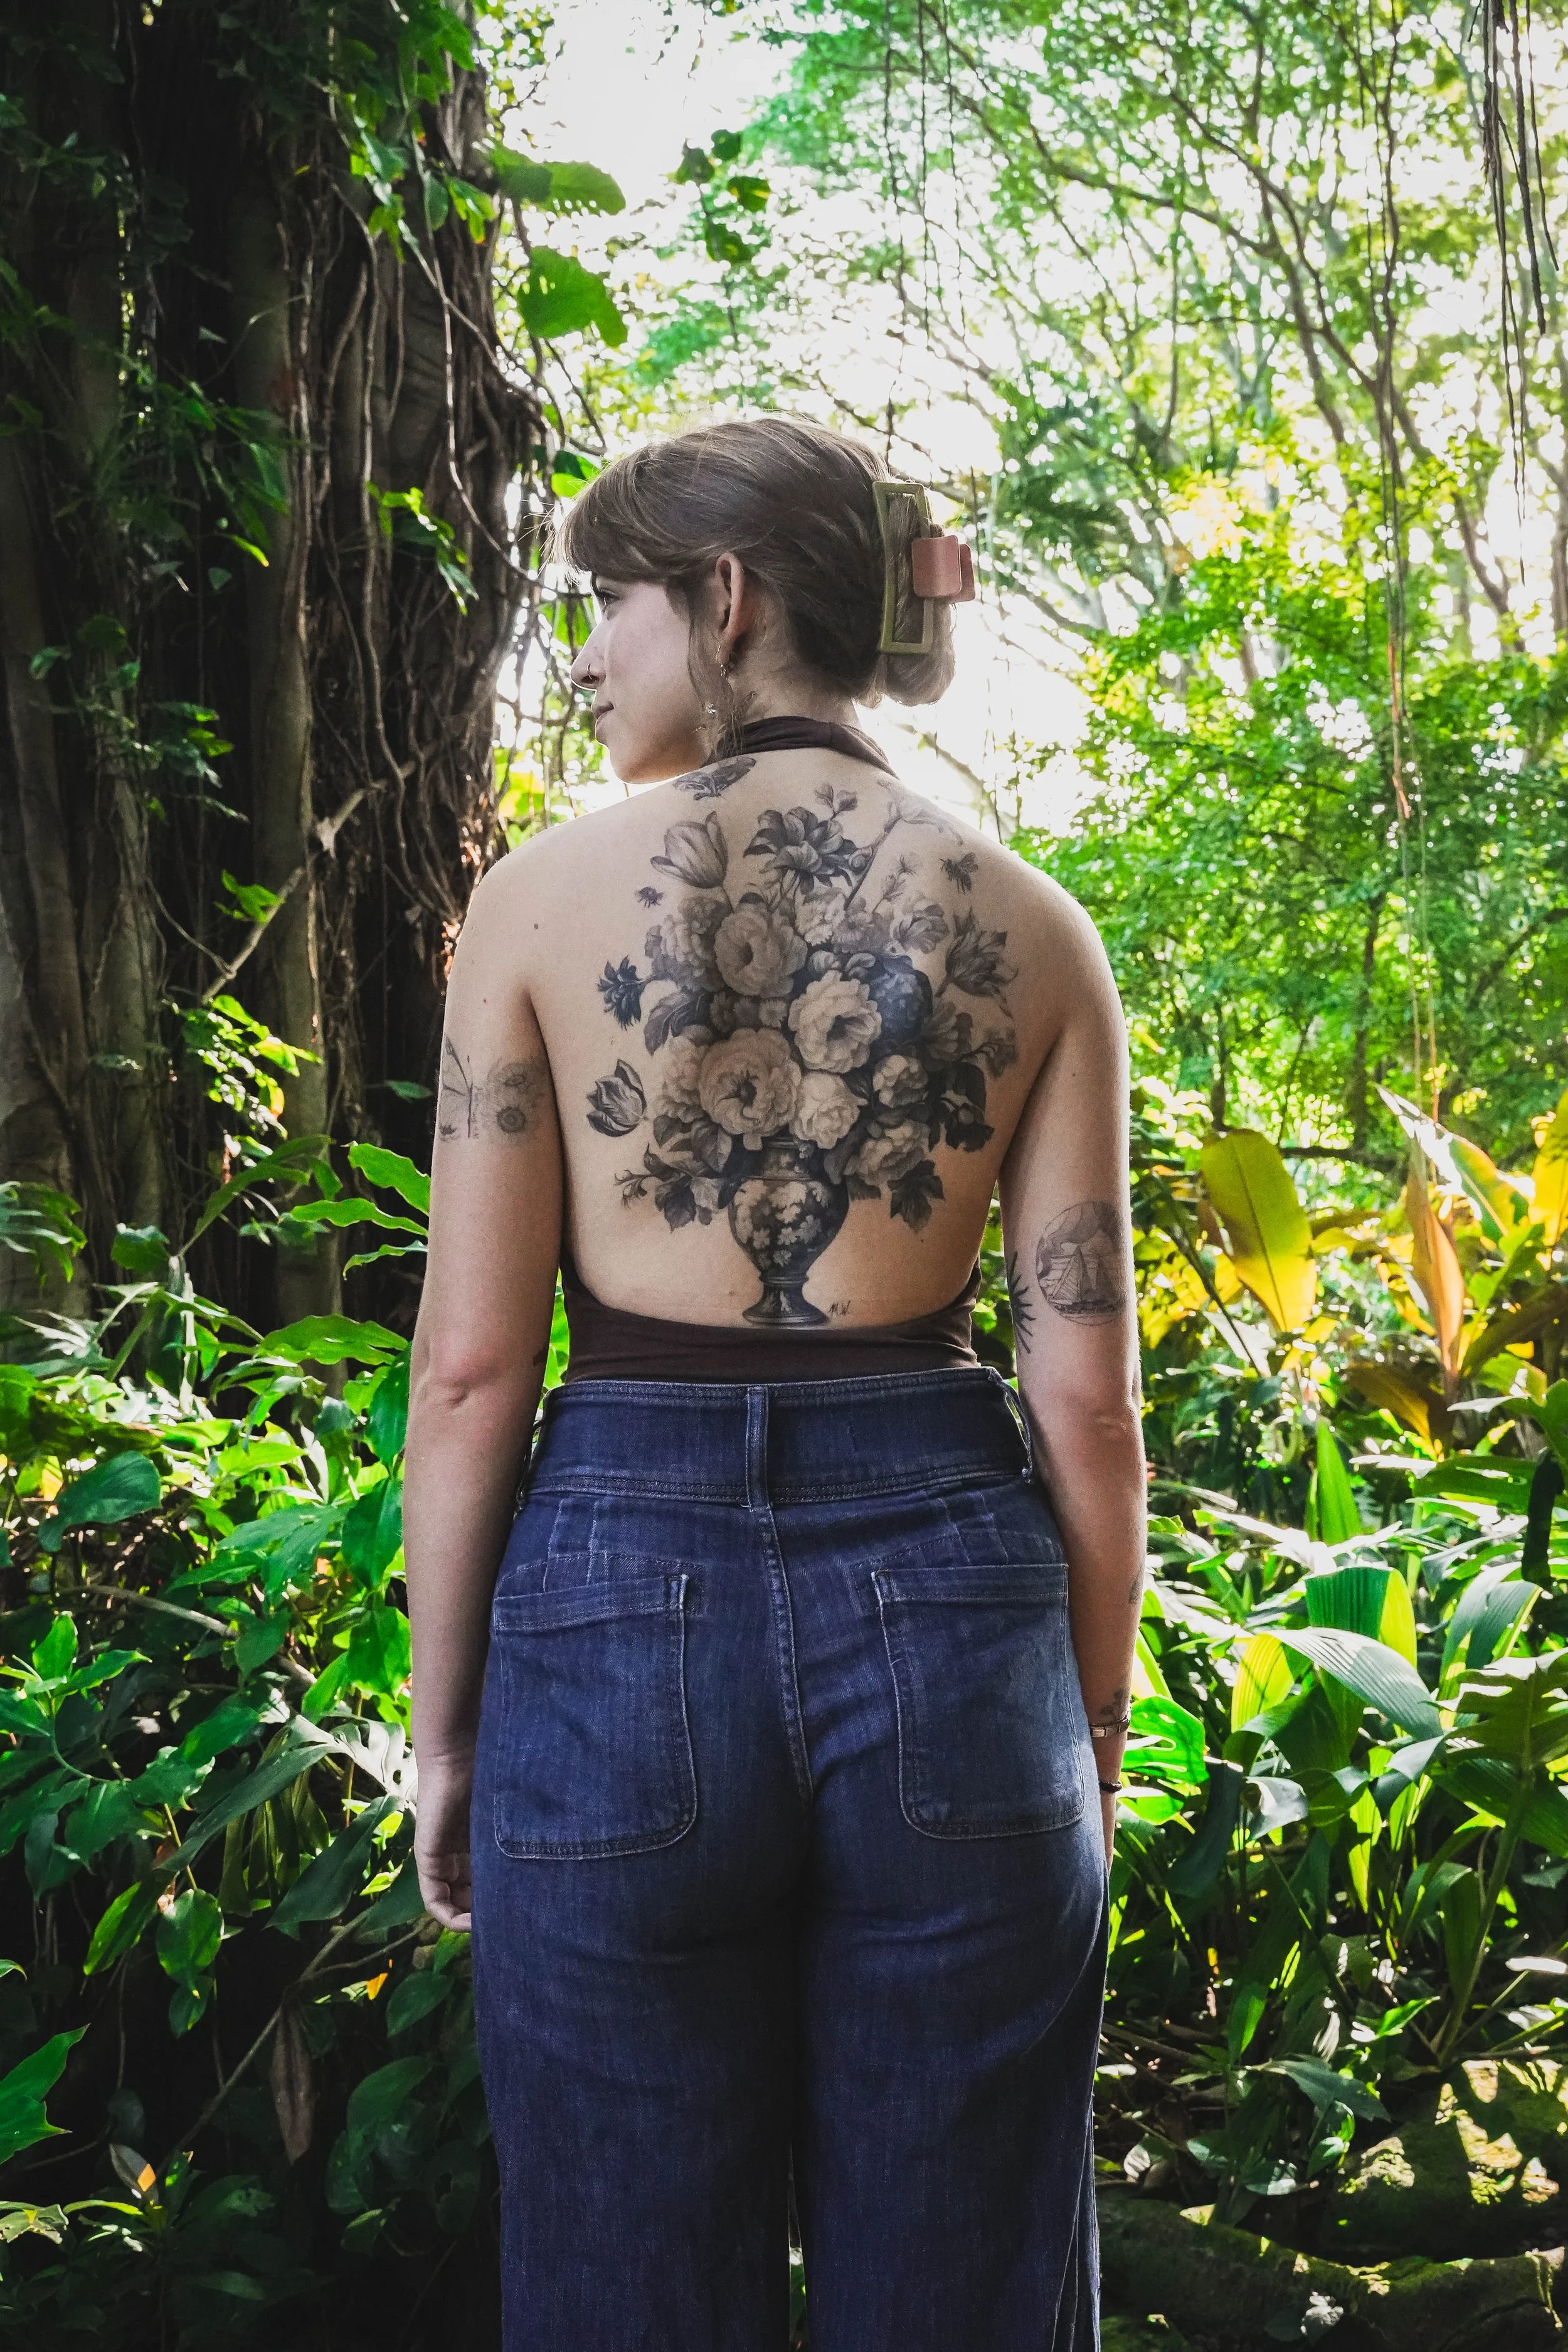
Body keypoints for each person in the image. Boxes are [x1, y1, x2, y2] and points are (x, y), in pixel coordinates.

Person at [403, 416, 1145, 2352]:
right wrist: (1087, 1712)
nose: (580, 659)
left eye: (604, 610)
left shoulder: (537, 909)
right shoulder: (1034, 929)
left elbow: (476, 1367)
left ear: (721, 603)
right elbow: (1084, 1397)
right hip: (952, 1614)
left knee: (623, 2287)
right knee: (967, 2277)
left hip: (611, 1610)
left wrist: (446, 1725)